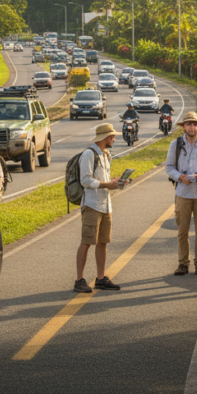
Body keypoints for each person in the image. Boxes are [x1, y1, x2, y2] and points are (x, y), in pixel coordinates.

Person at [164, 111, 197, 276]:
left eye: (195, 124)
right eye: (188, 124)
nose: (192, 127)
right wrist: (180, 176)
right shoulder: (176, 144)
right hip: (183, 192)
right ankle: (183, 263)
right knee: (182, 230)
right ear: (184, 127)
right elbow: (169, 167)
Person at [75, 123, 123, 293]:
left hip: (105, 204)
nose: (114, 138)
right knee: (87, 242)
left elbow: (104, 179)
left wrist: (115, 183)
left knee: (103, 242)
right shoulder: (89, 154)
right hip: (92, 205)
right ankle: (79, 280)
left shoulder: (105, 154)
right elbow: (85, 180)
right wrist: (107, 185)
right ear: (103, 138)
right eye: (111, 136)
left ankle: (101, 278)